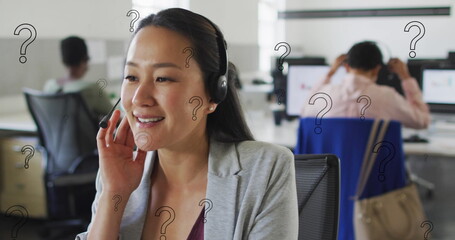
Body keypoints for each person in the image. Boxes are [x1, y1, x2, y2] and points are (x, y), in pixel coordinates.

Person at [76, 8, 298, 240]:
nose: (139, 98)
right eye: (131, 77)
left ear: (213, 94)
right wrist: (114, 194)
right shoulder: (115, 173)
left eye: (163, 78)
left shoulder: (265, 170)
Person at [301, 41, 430, 129]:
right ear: (376, 69)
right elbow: (422, 121)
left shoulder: (325, 95)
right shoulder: (386, 97)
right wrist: (405, 77)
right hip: (373, 169)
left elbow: (304, 112)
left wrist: (330, 73)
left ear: (346, 67)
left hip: (334, 169)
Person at [43, 36, 112, 121]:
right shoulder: (91, 89)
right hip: (86, 135)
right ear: (84, 60)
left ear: (63, 61)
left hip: (53, 134)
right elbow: (114, 115)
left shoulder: (50, 85)